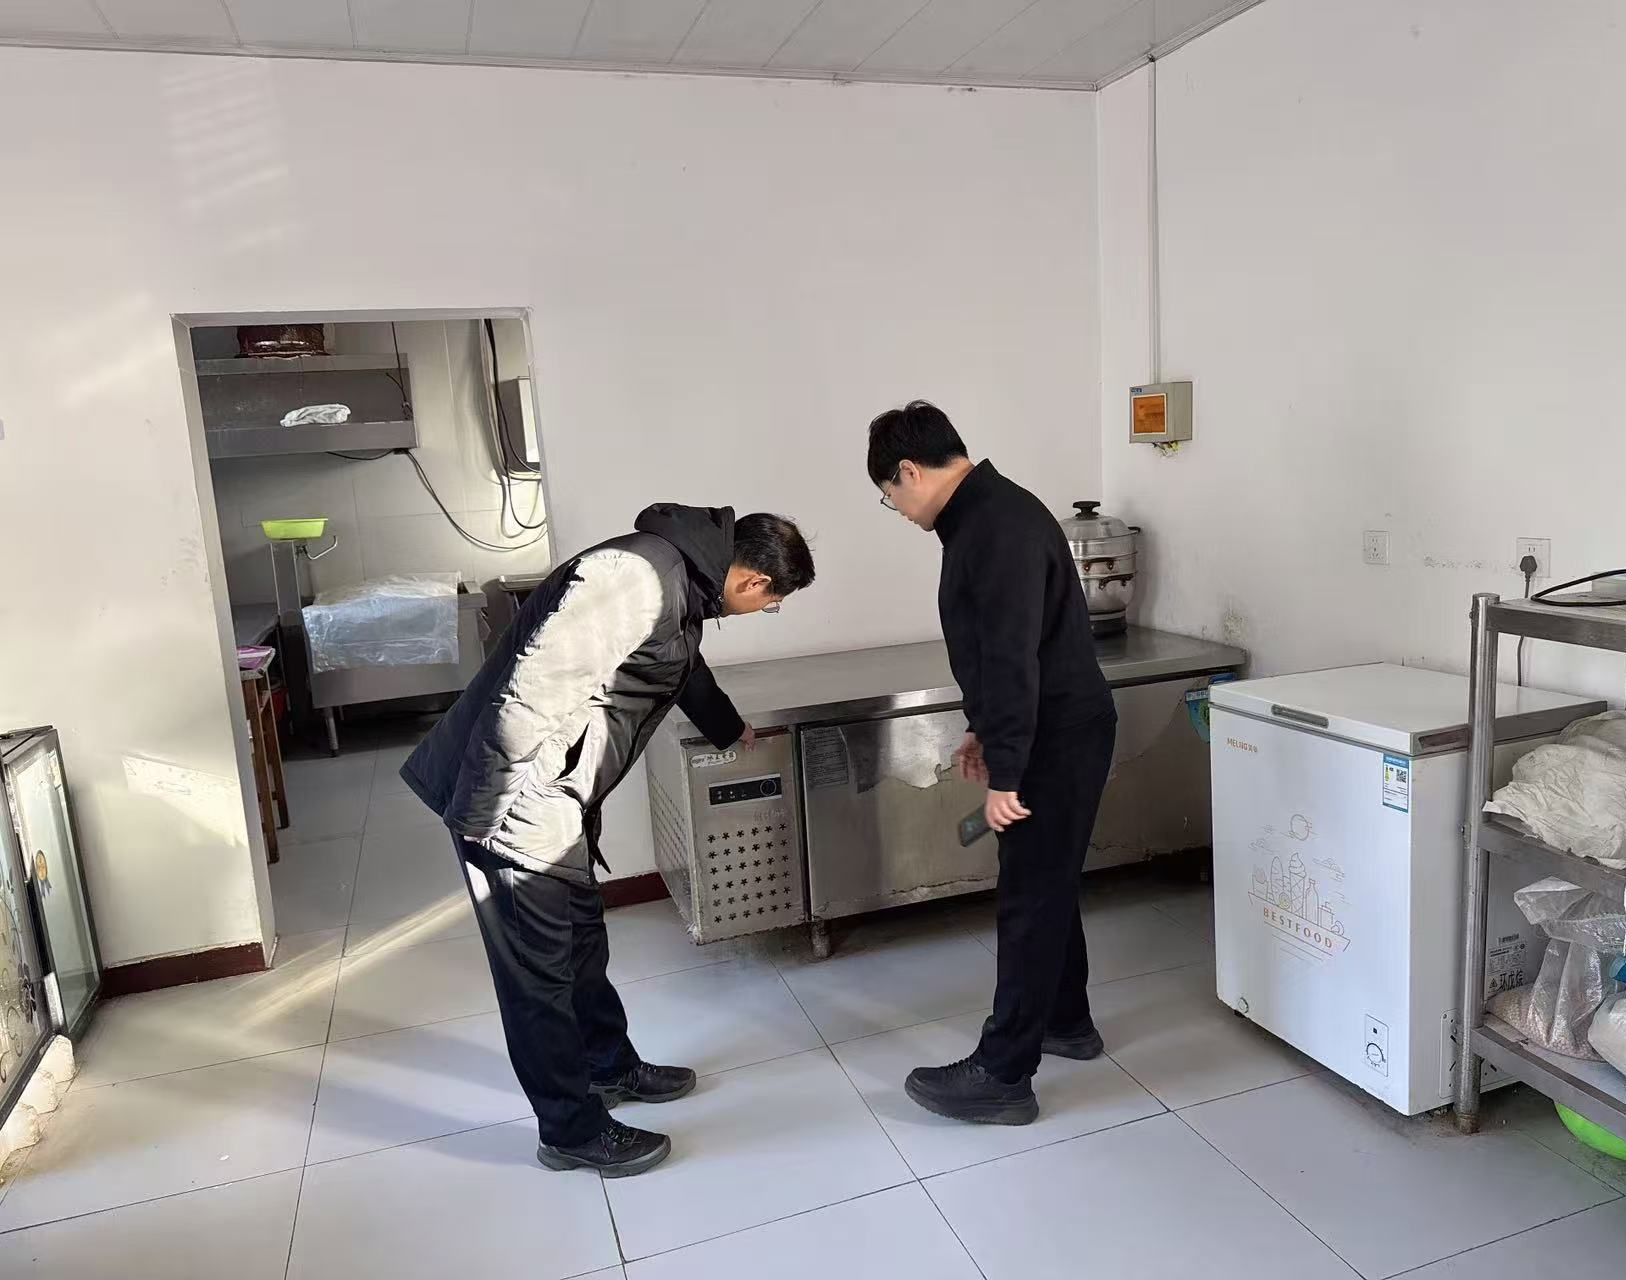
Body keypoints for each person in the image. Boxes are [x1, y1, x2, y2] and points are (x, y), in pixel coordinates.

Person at [401, 504, 815, 1177]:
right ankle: (570, 1129)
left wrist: (726, 726)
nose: (762, 611)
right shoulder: (635, 576)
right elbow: (529, 693)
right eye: (771, 604)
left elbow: (680, 665)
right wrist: (484, 812)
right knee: (537, 974)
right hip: (513, 804)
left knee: (581, 942)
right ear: (754, 582)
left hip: (554, 799)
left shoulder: (680, 583)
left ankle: (607, 1065)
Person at [867, 401, 1117, 1125]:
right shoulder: (986, 514)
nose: (896, 509)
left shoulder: (994, 526)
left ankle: (1003, 1074)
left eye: (889, 495)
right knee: (1047, 882)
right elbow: (1005, 649)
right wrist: (986, 732)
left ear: (909, 471)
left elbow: (1011, 658)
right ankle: (1065, 1020)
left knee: (1029, 896)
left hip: (1055, 738)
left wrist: (1007, 773)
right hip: (1051, 728)